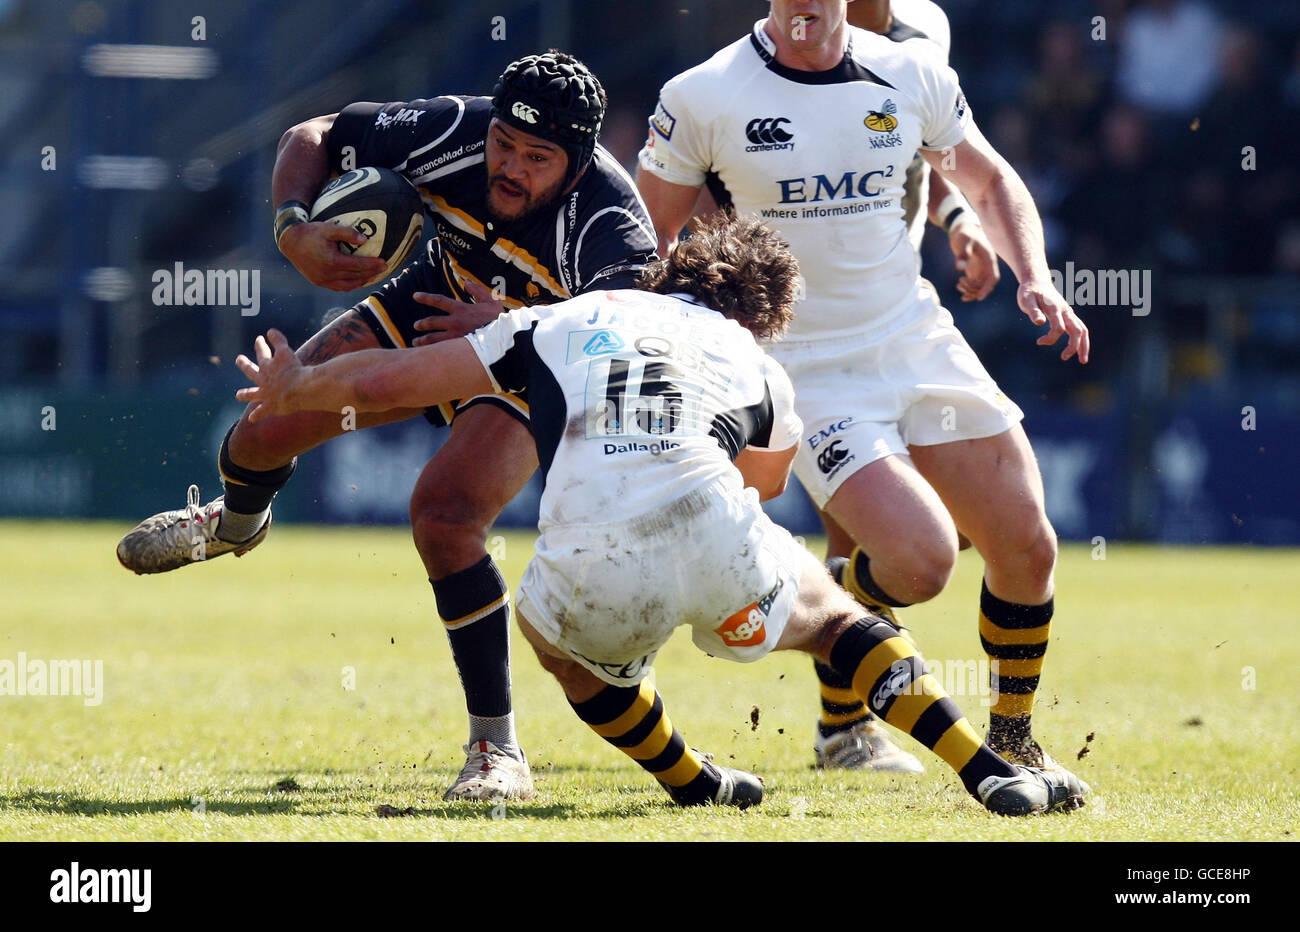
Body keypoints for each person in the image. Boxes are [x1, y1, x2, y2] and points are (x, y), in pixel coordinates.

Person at [232, 212, 1090, 816]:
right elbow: (764, 486)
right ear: (764, 317)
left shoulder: (556, 321)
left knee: (559, 649)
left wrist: (300, 386)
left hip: (591, 567)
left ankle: (689, 779)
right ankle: (986, 770)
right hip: (719, 538)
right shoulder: (759, 366)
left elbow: (403, 378)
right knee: (835, 620)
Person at [116, 51, 658, 802]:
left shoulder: (610, 220)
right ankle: (236, 525)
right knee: (263, 430)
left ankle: (496, 751)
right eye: (504, 142)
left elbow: (627, 336)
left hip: (541, 360)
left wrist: (515, 326)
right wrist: (292, 227)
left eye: (537, 158)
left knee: (443, 515)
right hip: (436, 303)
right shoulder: (455, 132)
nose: (509, 166)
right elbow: (315, 135)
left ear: (577, 163)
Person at [637, 0, 1091, 771]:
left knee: (1027, 546)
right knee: (923, 566)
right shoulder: (706, 93)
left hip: (915, 337)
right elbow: (647, 237)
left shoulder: (911, 69)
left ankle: (1016, 745)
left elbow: (986, 179)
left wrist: (1036, 279)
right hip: (806, 368)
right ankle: (807, 606)